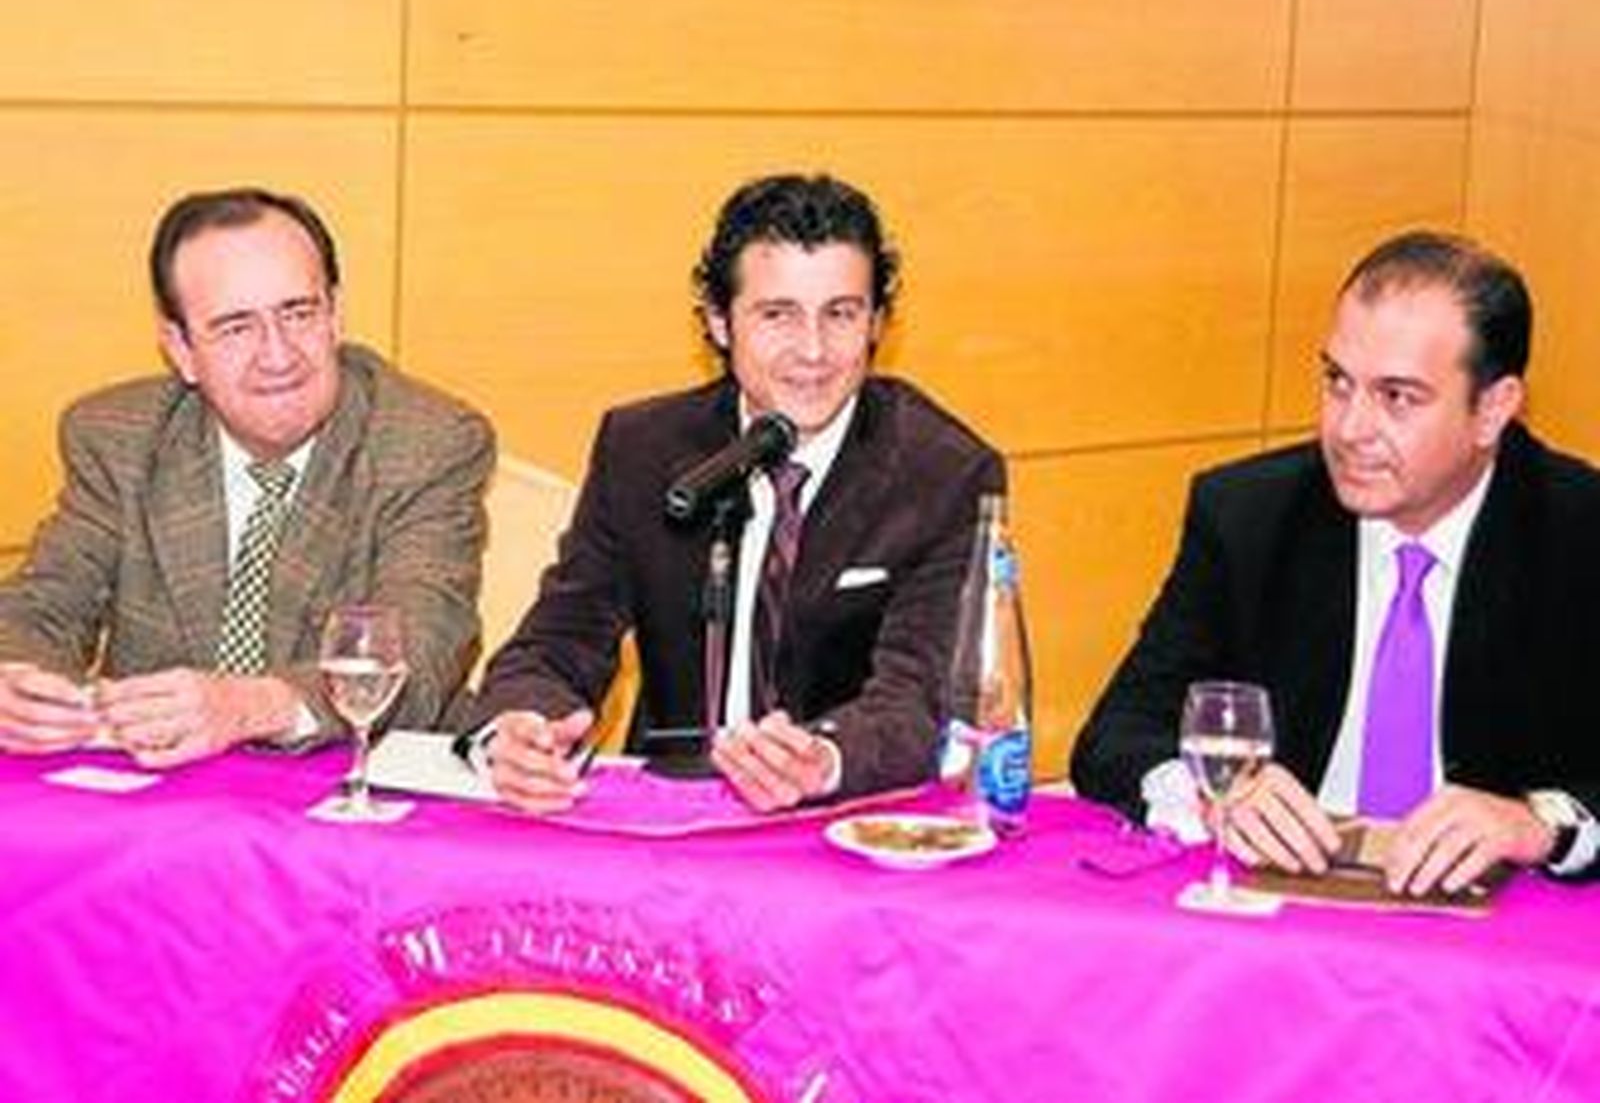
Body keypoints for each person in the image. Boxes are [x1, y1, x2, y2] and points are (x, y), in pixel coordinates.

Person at [1071, 230, 1600, 893]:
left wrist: (1539, 819)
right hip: (1288, 922)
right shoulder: (1249, 515)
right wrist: (1213, 794)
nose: (1350, 428)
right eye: (1338, 382)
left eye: (1397, 396)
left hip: (1505, 940)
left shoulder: (1580, 532)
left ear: (1493, 408)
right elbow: (1117, 733)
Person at [464, 173, 1003, 814]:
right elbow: (561, 637)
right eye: (778, 315)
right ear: (719, 323)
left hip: (842, 823)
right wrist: (520, 728)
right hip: (669, 818)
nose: (813, 351)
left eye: (841, 314)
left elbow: (919, 695)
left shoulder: (943, 472)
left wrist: (822, 758)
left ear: (877, 323)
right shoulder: (642, 448)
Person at [0, 186, 494, 766]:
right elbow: (41, 608)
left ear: (334, 316)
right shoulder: (119, 439)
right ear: (180, 349)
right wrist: (23, 685)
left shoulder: (427, 441)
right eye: (236, 327)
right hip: (162, 798)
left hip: (355, 790)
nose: (279, 355)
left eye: (298, 313)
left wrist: (255, 706)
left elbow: (422, 650)